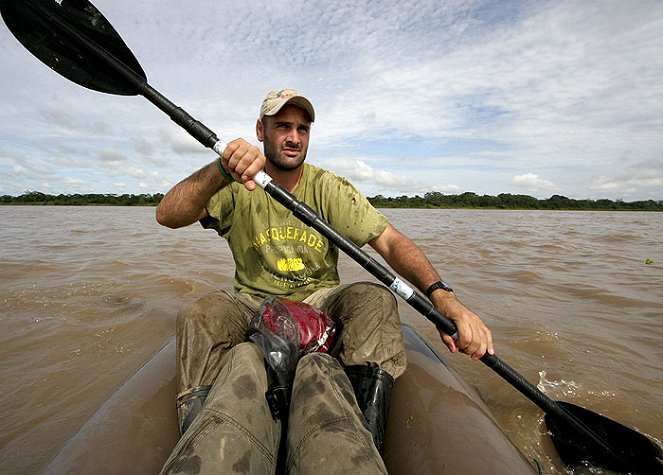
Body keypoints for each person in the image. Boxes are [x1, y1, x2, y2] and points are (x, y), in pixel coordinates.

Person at [155, 89, 495, 473]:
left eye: (303, 128)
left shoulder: (330, 188)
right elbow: (167, 215)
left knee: (374, 298)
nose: (294, 137)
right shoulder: (234, 184)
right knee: (200, 312)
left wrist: (444, 300)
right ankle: (203, 434)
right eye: (282, 126)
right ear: (260, 130)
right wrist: (220, 169)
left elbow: (390, 241)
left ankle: (361, 434)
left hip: (320, 299)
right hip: (253, 302)